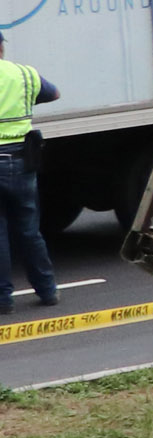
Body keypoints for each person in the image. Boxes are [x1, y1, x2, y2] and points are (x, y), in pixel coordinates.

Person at [0, 52, 61, 309]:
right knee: (28, 229)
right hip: (22, 160)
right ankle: (47, 291)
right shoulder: (24, 74)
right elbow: (54, 93)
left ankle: (3, 300)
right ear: (1, 48)